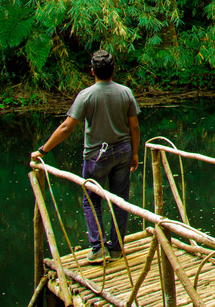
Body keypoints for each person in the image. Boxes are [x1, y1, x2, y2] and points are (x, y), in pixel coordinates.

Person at [31, 50, 140, 264]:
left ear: (92, 71)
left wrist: (43, 150)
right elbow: (134, 126)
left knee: (92, 201)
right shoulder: (126, 92)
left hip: (96, 156)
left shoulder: (86, 95)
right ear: (113, 69)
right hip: (123, 152)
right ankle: (116, 249)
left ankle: (98, 248)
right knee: (120, 201)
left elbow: (66, 127)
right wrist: (134, 153)